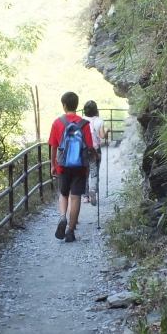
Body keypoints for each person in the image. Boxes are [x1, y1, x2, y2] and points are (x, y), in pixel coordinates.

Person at [48, 91, 94, 242]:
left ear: (64, 105)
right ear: (77, 105)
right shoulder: (84, 124)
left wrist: (53, 165)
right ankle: (71, 231)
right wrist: (92, 162)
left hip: (63, 166)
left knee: (63, 194)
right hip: (79, 166)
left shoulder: (57, 122)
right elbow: (88, 147)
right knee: (75, 197)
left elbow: (54, 147)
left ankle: (62, 217)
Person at [81, 100, 108, 206]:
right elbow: (102, 136)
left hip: (83, 150)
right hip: (95, 150)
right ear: (96, 110)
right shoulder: (99, 120)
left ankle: (86, 197)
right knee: (94, 172)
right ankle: (93, 190)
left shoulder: (81, 120)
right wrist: (107, 131)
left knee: (84, 172)